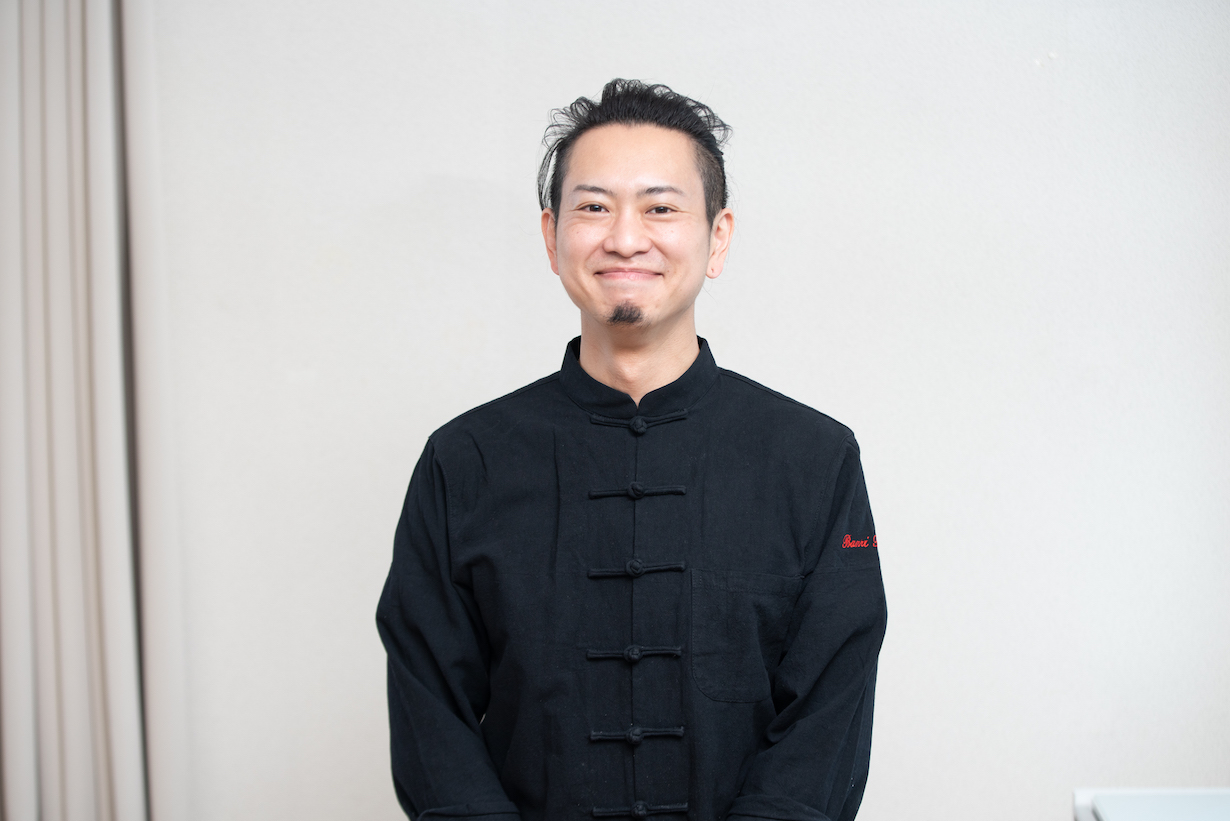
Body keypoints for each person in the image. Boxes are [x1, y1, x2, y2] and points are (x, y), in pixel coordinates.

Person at [376, 79, 887, 821]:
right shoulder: (464, 461)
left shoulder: (813, 459)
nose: (624, 237)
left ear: (717, 237)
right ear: (551, 238)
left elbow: (825, 723)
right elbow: (434, 723)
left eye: (660, 208)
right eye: (593, 207)